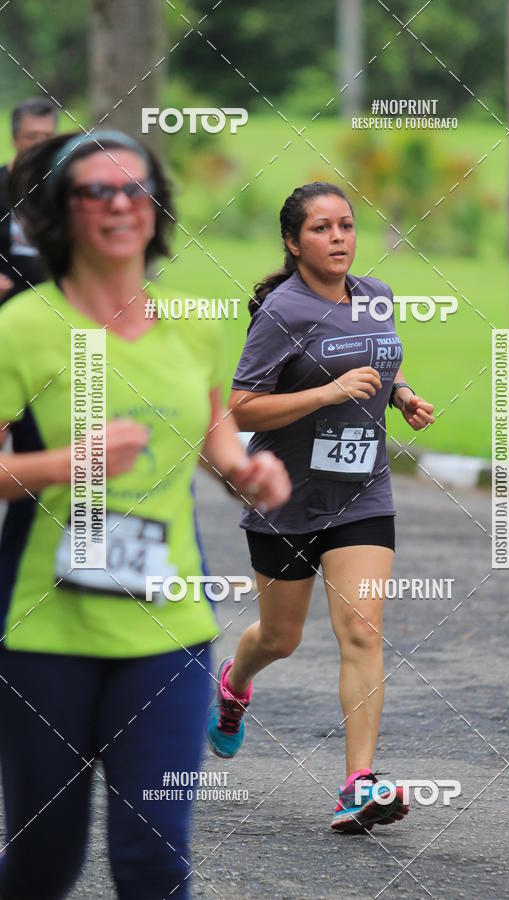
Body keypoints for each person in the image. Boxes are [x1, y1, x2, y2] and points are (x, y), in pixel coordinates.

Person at [0, 130, 290, 899]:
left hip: (169, 631)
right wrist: (68, 463)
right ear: (64, 211)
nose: (120, 204)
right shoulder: (22, 329)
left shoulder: (191, 325)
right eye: (97, 190)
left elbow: (211, 429)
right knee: (43, 862)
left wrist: (244, 471)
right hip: (44, 630)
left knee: (154, 858)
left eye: (135, 188)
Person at [207, 181, 435, 833]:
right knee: (279, 638)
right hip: (286, 496)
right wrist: (327, 393)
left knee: (362, 629)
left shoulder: (377, 296)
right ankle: (235, 682)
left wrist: (401, 395)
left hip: (362, 491)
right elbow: (243, 406)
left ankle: (357, 784)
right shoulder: (282, 311)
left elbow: (381, 362)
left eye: (346, 225)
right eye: (321, 228)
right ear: (292, 241)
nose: (338, 237)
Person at [0, 98, 58, 305]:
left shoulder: (65, 187)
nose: (41, 143)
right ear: (15, 139)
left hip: (58, 303)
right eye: (32, 136)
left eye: (47, 136)